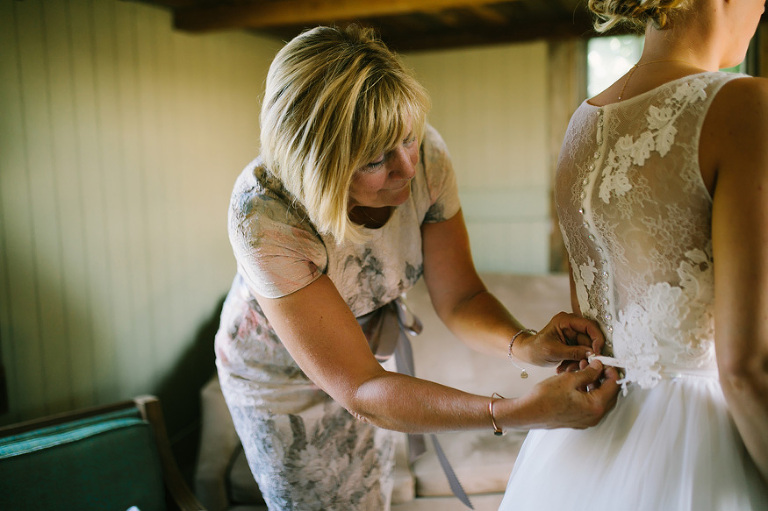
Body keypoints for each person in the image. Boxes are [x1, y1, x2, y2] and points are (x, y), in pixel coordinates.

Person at [214, 24, 619, 511]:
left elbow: (461, 298)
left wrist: (528, 345)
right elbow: (362, 389)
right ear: (317, 165)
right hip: (283, 385)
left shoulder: (426, 158)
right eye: (374, 159)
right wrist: (514, 412)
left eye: (406, 137)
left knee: (375, 497)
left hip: (370, 364)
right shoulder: (264, 215)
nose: (407, 168)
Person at [500, 1, 768, 509]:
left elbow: (589, 334)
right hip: (701, 446)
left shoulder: (582, 122)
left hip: (583, 443)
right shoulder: (744, 105)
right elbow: (745, 368)